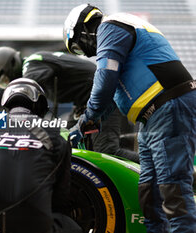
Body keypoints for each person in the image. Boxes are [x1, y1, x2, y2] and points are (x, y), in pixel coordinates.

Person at [63, 3, 196, 233]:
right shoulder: (117, 41)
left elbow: (104, 81)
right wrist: (85, 125)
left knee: (172, 190)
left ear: (83, 30)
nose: (85, 53)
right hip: (153, 116)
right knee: (148, 194)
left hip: (168, 106)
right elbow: (109, 100)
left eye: (77, 47)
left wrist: (86, 120)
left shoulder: (110, 26)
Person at [0, 78, 82, 233]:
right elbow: (61, 197)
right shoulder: (58, 132)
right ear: (40, 107)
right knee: (71, 224)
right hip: (36, 225)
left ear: (6, 104)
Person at [0, 46, 139, 163]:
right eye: (4, 85)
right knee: (68, 141)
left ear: (12, 64)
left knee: (107, 150)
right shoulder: (35, 62)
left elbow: (23, 103)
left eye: (5, 80)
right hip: (86, 103)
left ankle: (155, 165)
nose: (8, 85)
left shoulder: (32, 64)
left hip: (101, 98)